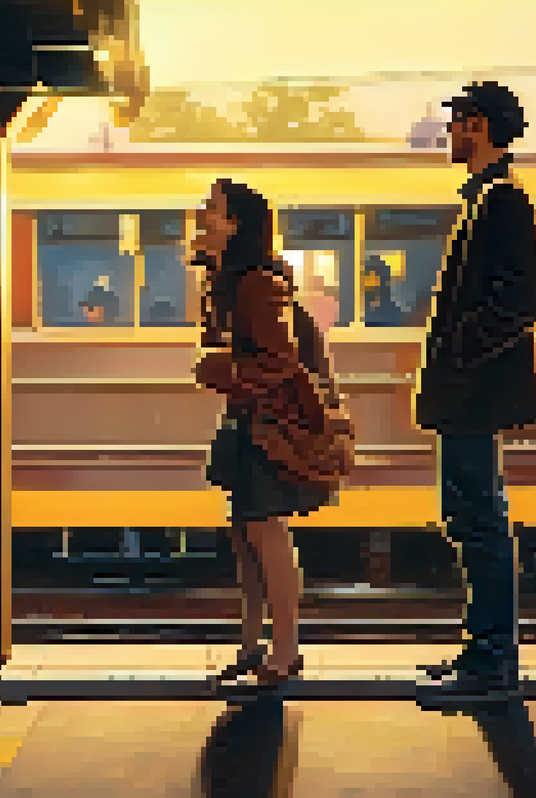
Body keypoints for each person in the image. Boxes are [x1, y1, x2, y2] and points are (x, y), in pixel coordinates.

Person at [416, 81, 536, 696]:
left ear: (482, 126)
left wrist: (460, 351)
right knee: (470, 518)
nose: (451, 132)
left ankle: (491, 658)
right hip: (467, 392)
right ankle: (481, 653)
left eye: (460, 122)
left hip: (474, 392)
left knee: (481, 520)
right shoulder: (486, 199)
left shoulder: (502, 200)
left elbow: (524, 299)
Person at [193, 179, 342, 689]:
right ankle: (254, 644)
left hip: (266, 424)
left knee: (264, 533)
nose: (202, 217)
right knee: (246, 537)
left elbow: (278, 362)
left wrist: (220, 371)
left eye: (213, 210)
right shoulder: (232, 282)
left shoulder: (258, 283)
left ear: (236, 225)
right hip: (249, 421)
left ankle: (284, 651)